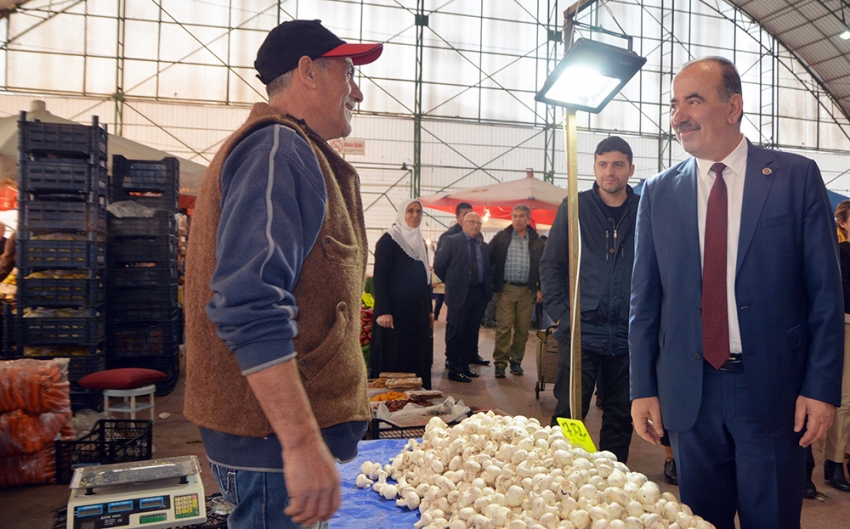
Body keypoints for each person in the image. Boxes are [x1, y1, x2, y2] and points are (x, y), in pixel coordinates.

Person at [183, 19, 383, 529]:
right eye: (348, 72)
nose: (356, 91)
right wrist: (299, 443)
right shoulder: (277, 150)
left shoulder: (291, 151)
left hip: (267, 443)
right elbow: (249, 301)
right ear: (308, 72)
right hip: (269, 447)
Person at [629, 57, 843, 529]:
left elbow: (825, 295)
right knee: (702, 520)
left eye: (693, 100)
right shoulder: (658, 192)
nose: (677, 115)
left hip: (772, 392)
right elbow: (645, 301)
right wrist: (642, 387)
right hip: (689, 392)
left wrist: (821, 389)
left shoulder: (795, 177)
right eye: (673, 104)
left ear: (733, 107)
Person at [540, 136, 639, 464]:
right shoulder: (574, 208)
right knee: (570, 411)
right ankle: (562, 474)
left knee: (620, 415)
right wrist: (561, 315)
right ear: (594, 168)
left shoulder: (643, 210)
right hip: (581, 331)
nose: (610, 171)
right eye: (603, 164)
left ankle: (612, 480)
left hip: (627, 335)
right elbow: (551, 263)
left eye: (618, 165)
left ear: (630, 169)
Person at [370, 199, 433, 389]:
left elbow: (425, 279)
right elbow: (379, 278)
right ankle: (393, 404)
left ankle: (417, 401)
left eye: (419, 212)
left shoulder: (420, 242)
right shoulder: (389, 240)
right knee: (394, 358)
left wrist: (429, 310)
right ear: (401, 213)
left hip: (417, 315)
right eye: (410, 211)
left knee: (416, 358)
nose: (415, 215)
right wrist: (383, 311)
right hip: (394, 316)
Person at [433, 212, 493, 382]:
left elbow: (487, 268)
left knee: (471, 333)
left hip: (479, 294)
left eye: (478, 223)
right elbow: (439, 265)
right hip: (459, 294)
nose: (475, 226)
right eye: (472, 222)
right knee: (456, 332)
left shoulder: (482, 245)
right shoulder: (452, 241)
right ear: (463, 224)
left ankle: (465, 366)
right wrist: (453, 282)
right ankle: (454, 368)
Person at [488, 204, 544, 378]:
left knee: (522, 329)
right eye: (515, 216)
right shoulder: (501, 237)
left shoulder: (536, 241)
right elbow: (488, 259)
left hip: (528, 292)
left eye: (521, 216)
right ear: (511, 218)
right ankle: (500, 363)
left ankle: (516, 361)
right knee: (503, 327)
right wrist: (492, 283)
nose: (518, 219)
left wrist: (540, 289)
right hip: (506, 289)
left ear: (528, 219)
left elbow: (544, 266)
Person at [822, 199, 850, 492]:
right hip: (847, 326)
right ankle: (833, 462)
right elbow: (843, 292)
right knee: (845, 399)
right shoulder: (840, 252)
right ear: (842, 223)